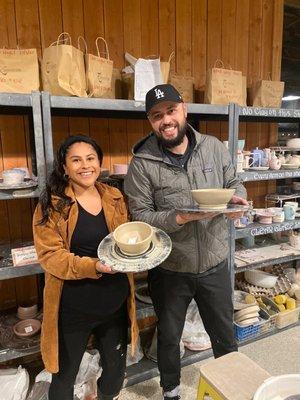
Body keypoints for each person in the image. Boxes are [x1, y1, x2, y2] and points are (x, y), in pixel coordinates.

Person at [124, 84, 248, 400]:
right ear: (150, 121)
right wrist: (177, 218)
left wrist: (238, 201)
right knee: (168, 337)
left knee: (223, 334)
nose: (165, 121)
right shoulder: (142, 163)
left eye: (171, 111)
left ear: (184, 109)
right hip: (170, 268)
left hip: (214, 261)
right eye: (156, 116)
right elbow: (139, 217)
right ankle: (171, 391)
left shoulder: (214, 148)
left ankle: (231, 386)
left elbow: (235, 183)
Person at [32, 135, 138, 400]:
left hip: (114, 303)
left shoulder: (113, 196)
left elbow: (125, 238)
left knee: (115, 373)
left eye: (90, 158)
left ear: (99, 163)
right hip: (73, 307)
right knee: (64, 377)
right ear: (64, 167)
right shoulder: (53, 205)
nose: (85, 165)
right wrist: (96, 266)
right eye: (75, 160)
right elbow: (51, 257)